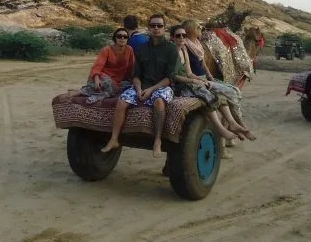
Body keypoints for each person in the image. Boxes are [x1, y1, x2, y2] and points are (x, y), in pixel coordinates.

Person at [102, 13, 178, 158]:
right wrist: (138, 89)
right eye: (153, 25)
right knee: (121, 102)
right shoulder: (141, 49)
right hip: (142, 85)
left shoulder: (171, 49)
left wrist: (151, 90)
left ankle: (157, 140)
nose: (156, 28)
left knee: (159, 102)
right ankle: (114, 139)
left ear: (165, 28)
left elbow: (170, 78)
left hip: (161, 86)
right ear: (148, 28)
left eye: (159, 25)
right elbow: (136, 75)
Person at [170, 25, 255, 141]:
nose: (181, 38)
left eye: (184, 35)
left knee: (220, 95)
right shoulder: (171, 53)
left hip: (192, 81)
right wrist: (194, 81)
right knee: (208, 95)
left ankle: (232, 123)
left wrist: (201, 80)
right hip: (180, 86)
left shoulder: (184, 50)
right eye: (178, 36)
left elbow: (189, 72)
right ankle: (220, 129)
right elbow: (173, 76)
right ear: (172, 37)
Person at [181, 18, 248, 124]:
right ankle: (238, 123)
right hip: (196, 81)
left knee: (235, 90)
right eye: (198, 27)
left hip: (205, 78)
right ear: (191, 30)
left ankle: (235, 122)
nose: (201, 29)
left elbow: (203, 63)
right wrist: (201, 81)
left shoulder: (197, 45)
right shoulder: (185, 46)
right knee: (231, 93)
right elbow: (188, 72)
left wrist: (210, 77)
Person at [77, 28, 135, 103]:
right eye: (119, 36)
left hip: (117, 81)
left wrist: (132, 79)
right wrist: (96, 78)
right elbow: (98, 65)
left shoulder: (129, 50)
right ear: (115, 38)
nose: (122, 38)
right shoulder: (107, 50)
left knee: (123, 87)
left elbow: (131, 66)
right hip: (102, 77)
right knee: (108, 85)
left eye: (125, 37)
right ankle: (85, 93)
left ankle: (92, 93)